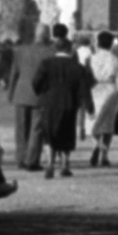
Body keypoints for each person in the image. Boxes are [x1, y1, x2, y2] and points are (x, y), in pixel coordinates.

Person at [32, 24, 92, 180]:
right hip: (69, 103)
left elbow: (35, 82)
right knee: (67, 131)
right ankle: (65, 164)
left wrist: (42, 92)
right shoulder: (78, 68)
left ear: (56, 49)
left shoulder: (46, 63)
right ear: (70, 50)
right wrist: (87, 106)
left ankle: (49, 163)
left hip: (46, 103)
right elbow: (83, 89)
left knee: (48, 132)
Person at [6, 22, 53, 171]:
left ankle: (21, 158)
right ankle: (31, 160)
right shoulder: (50, 52)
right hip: (40, 95)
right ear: (47, 35)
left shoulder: (20, 50)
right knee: (36, 129)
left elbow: (14, 73)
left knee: (21, 128)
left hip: (21, 93)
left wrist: (10, 92)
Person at [87, 30, 118, 168]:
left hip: (95, 89)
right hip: (110, 89)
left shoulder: (91, 58)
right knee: (109, 126)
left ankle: (96, 145)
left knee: (95, 124)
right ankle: (105, 156)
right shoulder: (115, 60)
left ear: (98, 43)